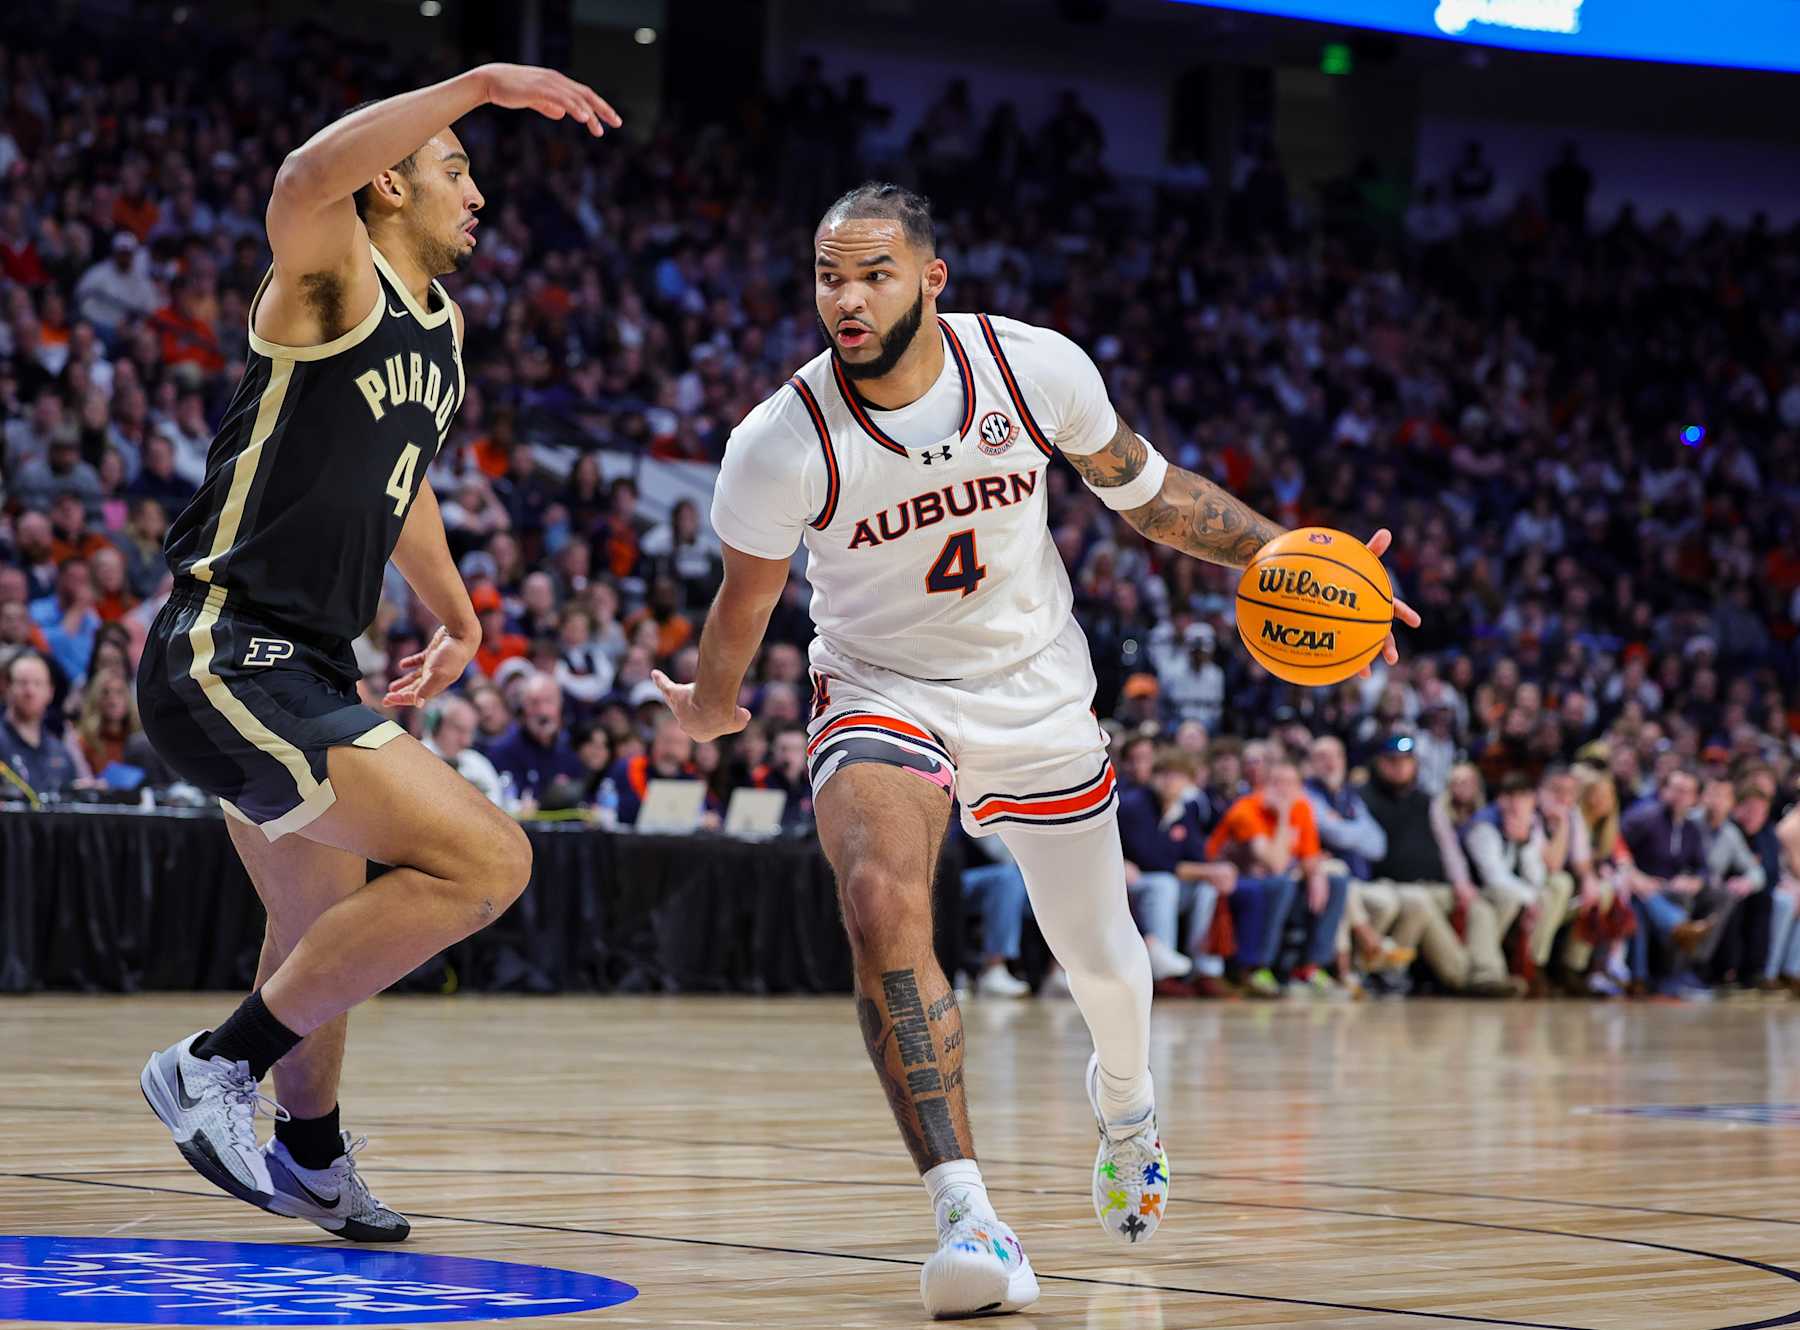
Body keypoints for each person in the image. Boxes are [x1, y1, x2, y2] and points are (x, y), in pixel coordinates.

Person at [652, 181, 1416, 1317]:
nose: (846, 300)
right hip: (879, 687)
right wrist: (713, 703)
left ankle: (1127, 1102)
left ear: (932, 279)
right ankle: (969, 1216)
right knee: (877, 899)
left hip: (1037, 688)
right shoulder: (779, 438)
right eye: (828, 277)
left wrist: (1293, 558)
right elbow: (745, 599)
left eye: (873, 274)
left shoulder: (1033, 367)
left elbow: (1152, 497)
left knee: (1105, 960)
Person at [133, 64, 619, 1243]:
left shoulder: (440, 332)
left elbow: (398, 490)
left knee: (317, 932)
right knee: (488, 862)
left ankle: (309, 1151)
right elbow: (304, 173)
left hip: (308, 662)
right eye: (459, 170)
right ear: (391, 179)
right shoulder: (329, 271)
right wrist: (486, 81)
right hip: (226, 645)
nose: (481, 198)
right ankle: (214, 1067)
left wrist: (457, 616)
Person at [1360, 735, 1522, 996]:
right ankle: (1461, 976)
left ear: (1414, 765)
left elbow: (1449, 848)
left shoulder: (1428, 802)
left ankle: (1488, 974)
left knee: (1479, 907)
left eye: (1406, 761)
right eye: (1392, 761)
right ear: (1380, 763)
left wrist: (1461, 883)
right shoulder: (1365, 798)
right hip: (1393, 884)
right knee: (1422, 904)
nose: (1400, 767)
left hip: (1437, 884)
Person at [1205, 758, 1349, 998]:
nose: (1284, 790)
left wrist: (1316, 874)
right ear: (1263, 785)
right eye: (1277, 783)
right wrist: (1283, 817)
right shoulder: (1246, 809)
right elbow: (1275, 864)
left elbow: (1310, 855)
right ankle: (1256, 968)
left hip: (1270, 881)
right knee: (1281, 883)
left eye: (1291, 784)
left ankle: (1310, 966)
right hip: (1231, 880)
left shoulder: (1301, 807)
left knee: (1336, 882)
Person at [0, 651, 78, 799]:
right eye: (22, 683)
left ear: (50, 692)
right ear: (7, 688)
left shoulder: (60, 752)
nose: (30, 691)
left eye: (38, 683)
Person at [422, 692, 504, 806]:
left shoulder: (478, 764)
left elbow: (497, 807)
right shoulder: (416, 757)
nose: (466, 741)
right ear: (438, 724)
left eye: (470, 732)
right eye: (459, 730)